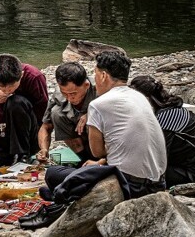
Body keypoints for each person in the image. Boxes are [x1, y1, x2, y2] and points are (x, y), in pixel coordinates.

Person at [41, 51, 167, 200]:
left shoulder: (98, 105)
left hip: (130, 185)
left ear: (103, 76)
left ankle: (64, 193)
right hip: (159, 182)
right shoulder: (139, 96)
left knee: (53, 174)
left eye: (95, 74)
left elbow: (97, 152)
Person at [129, 75, 195, 187]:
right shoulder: (167, 110)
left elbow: (157, 158)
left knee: (136, 175)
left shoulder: (166, 119)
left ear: (147, 99)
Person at [36, 62, 97, 165]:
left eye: (73, 93)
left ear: (86, 85)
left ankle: (99, 160)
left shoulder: (99, 88)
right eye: (65, 93)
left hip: (99, 141)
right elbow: (45, 126)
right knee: (56, 113)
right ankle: (82, 160)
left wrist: (91, 113)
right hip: (79, 137)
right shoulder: (58, 94)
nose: (69, 98)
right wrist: (44, 149)